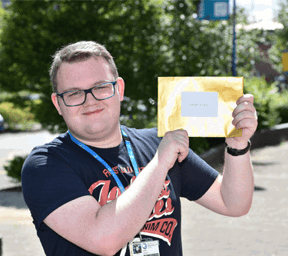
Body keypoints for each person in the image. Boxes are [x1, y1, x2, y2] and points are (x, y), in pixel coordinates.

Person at [22, 41, 258, 256]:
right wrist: (159, 163)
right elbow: (104, 240)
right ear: (58, 104)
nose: (90, 100)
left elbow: (233, 203)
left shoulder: (158, 143)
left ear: (120, 89)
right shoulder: (45, 164)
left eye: (101, 87)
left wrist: (237, 146)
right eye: (73, 93)